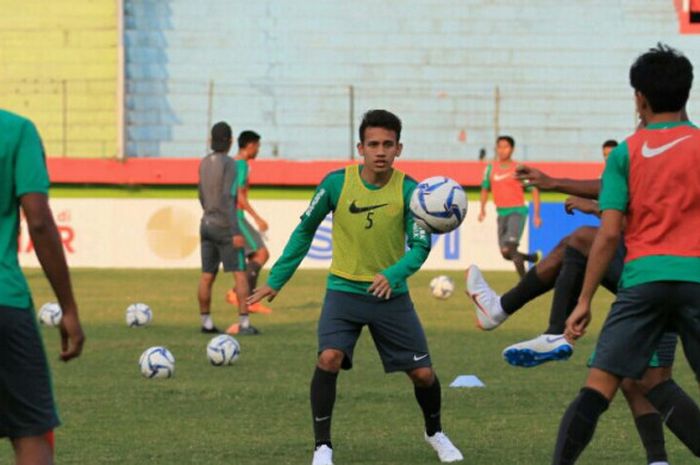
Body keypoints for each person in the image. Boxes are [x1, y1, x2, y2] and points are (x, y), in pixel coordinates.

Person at [248, 110, 463, 464]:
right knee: (328, 358)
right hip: (343, 292)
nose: (380, 151)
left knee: (424, 375)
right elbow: (304, 232)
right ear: (360, 148)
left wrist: (393, 274)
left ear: (399, 149)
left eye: (388, 145)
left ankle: (435, 432)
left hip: (389, 296)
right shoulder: (335, 184)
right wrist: (276, 280)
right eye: (373, 144)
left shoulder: (411, 192)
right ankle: (322, 447)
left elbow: (421, 247)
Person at [552, 43, 700, 464]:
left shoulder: (626, 153)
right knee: (656, 380)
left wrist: (583, 301)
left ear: (640, 97)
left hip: (643, 281)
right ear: (687, 94)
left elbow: (609, 233)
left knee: (600, 385)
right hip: (696, 280)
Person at [0, 109, 85, 465]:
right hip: (5, 302)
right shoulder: (16, 130)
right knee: (32, 434)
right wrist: (68, 307)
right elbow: (38, 219)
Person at [197, 122, 258, 335]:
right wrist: (235, 231)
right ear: (230, 141)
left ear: (211, 140)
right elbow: (229, 197)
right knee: (240, 273)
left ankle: (206, 322)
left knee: (207, 275)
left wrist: (209, 213)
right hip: (224, 225)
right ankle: (244, 323)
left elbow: (201, 195)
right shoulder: (230, 164)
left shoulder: (204, 162)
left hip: (206, 223)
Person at [478, 135, 542, 277]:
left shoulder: (518, 169)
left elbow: (534, 189)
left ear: (512, 149)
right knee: (505, 253)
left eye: (505, 147)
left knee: (511, 249)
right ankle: (532, 258)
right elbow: (484, 188)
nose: (502, 150)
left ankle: (526, 284)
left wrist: (536, 214)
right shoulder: (490, 168)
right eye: (499, 147)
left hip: (517, 212)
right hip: (501, 213)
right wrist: (482, 209)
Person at [225, 130, 272, 316]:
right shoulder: (242, 165)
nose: (258, 150)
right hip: (237, 216)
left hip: (231, 216)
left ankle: (242, 296)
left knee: (255, 257)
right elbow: (239, 195)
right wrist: (257, 217)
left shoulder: (232, 163)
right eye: (258, 146)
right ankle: (239, 295)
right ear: (250, 145)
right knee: (261, 254)